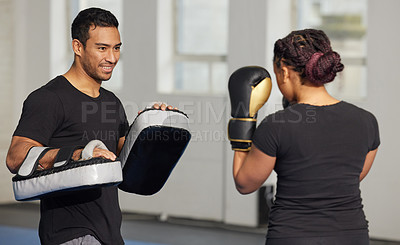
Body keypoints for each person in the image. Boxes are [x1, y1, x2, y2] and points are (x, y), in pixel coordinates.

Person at [6, 7, 173, 245]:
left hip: (110, 233)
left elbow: (125, 165)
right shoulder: (49, 98)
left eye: (116, 48)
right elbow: (15, 157)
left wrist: (154, 128)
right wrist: (78, 154)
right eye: (102, 48)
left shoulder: (111, 102)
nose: (112, 58)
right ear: (78, 47)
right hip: (71, 234)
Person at [231, 29, 380, 245]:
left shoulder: (276, 125)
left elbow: (245, 184)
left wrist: (242, 122)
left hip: (293, 236)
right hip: (351, 236)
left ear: (283, 70)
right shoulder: (367, 121)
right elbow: (350, 177)